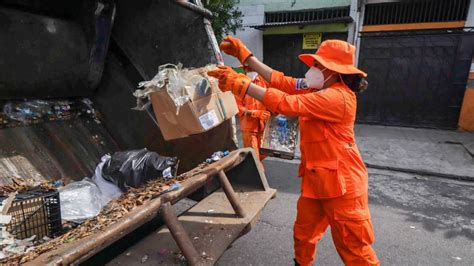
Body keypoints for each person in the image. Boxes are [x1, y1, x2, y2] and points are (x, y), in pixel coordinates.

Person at [209, 37, 379, 266]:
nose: (312, 69)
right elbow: (283, 81)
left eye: (318, 66)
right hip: (317, 181)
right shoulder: (318, 87)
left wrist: (243, 85)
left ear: (334, 71)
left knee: (353, 248)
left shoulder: (338, 97)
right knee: (303, 235)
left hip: (343, 187)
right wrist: (247, 58)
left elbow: (286, 103)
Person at [233, 66, 270, 161]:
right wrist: (255, 113)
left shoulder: (263, 82)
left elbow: (270, 97)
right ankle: (257, 173)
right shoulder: (239, 85)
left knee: (262, 153)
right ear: (245, 70)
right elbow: (239, 108)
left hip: (262, 124)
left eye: (253, 68)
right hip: (249, 127)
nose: (252, 71)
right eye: (249, 69)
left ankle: (259, 170)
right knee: (253, 155)